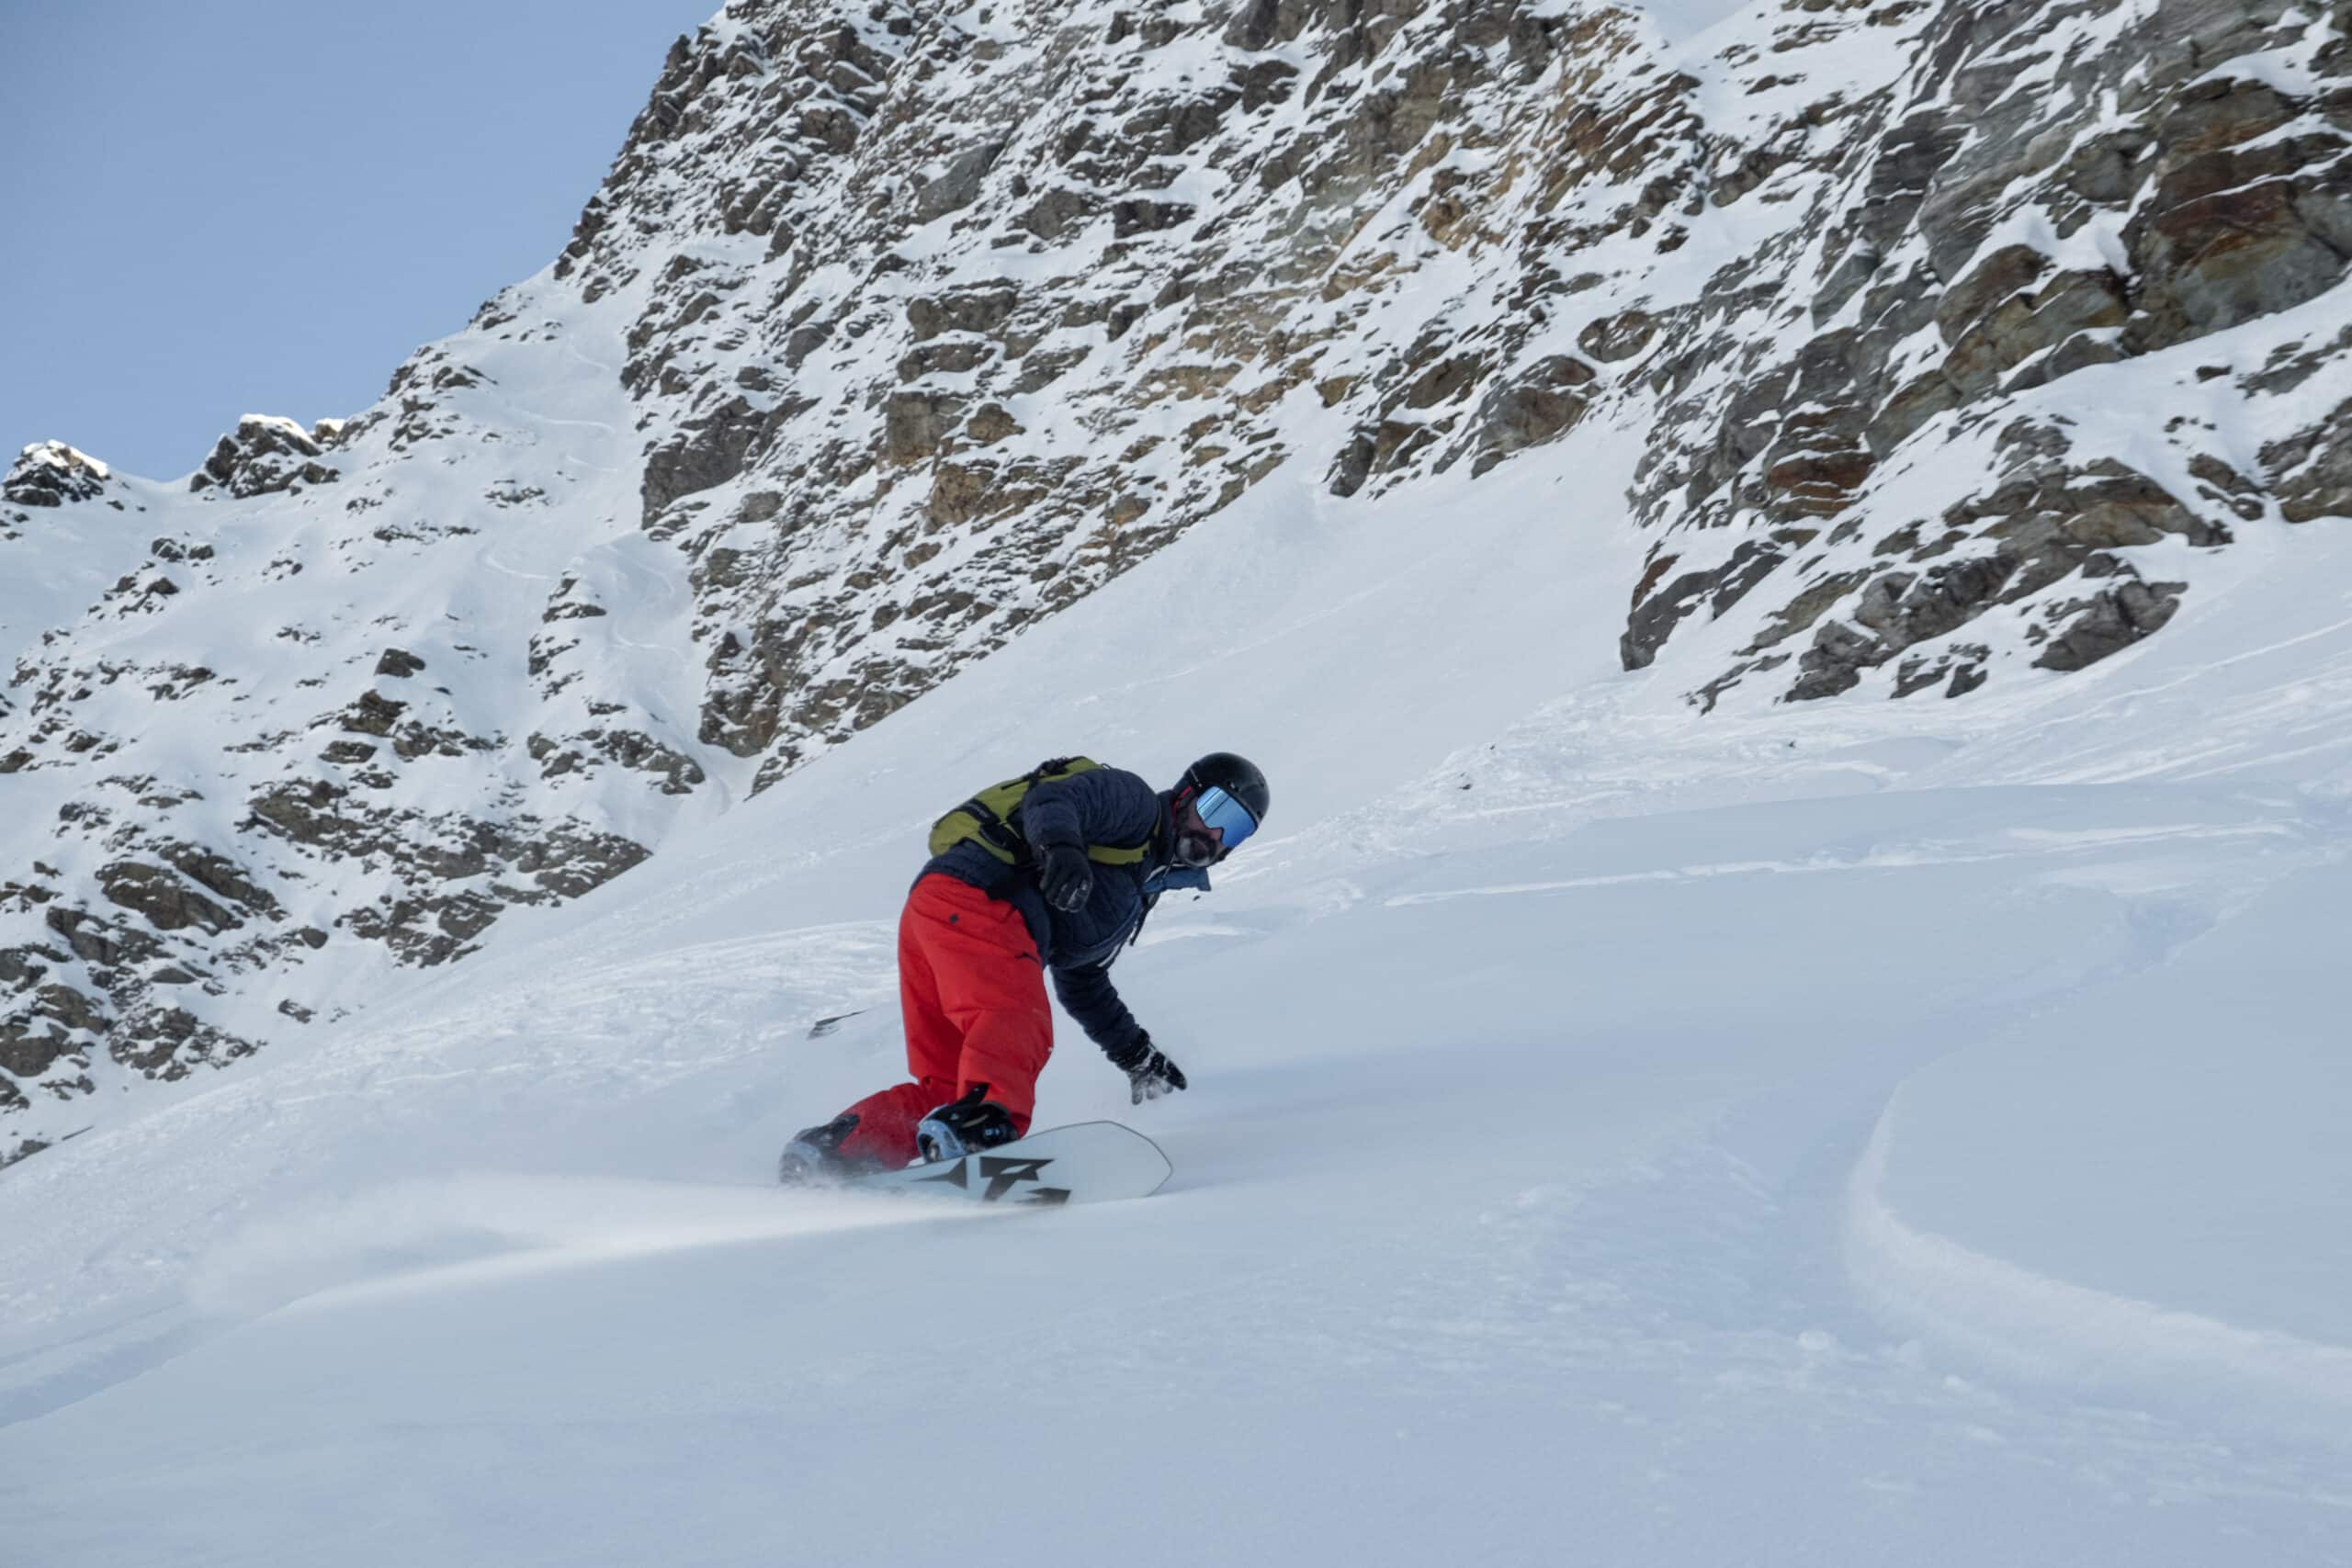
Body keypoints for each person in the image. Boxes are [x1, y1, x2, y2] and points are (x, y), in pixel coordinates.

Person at [778, 751, 1270, 1180]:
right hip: (980, 900)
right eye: (1215, 810)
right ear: (1185, 795)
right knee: (1015, 1022)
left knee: (950, 1088)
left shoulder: (1133, 891)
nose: (1217, 835)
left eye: (1238, 830)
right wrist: (1062, 851)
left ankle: (834, 1153)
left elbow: (1083, 981)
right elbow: (1052, 801)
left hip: (936, 915)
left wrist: (1136, 1055)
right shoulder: (1134, 803)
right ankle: (981, 1135)